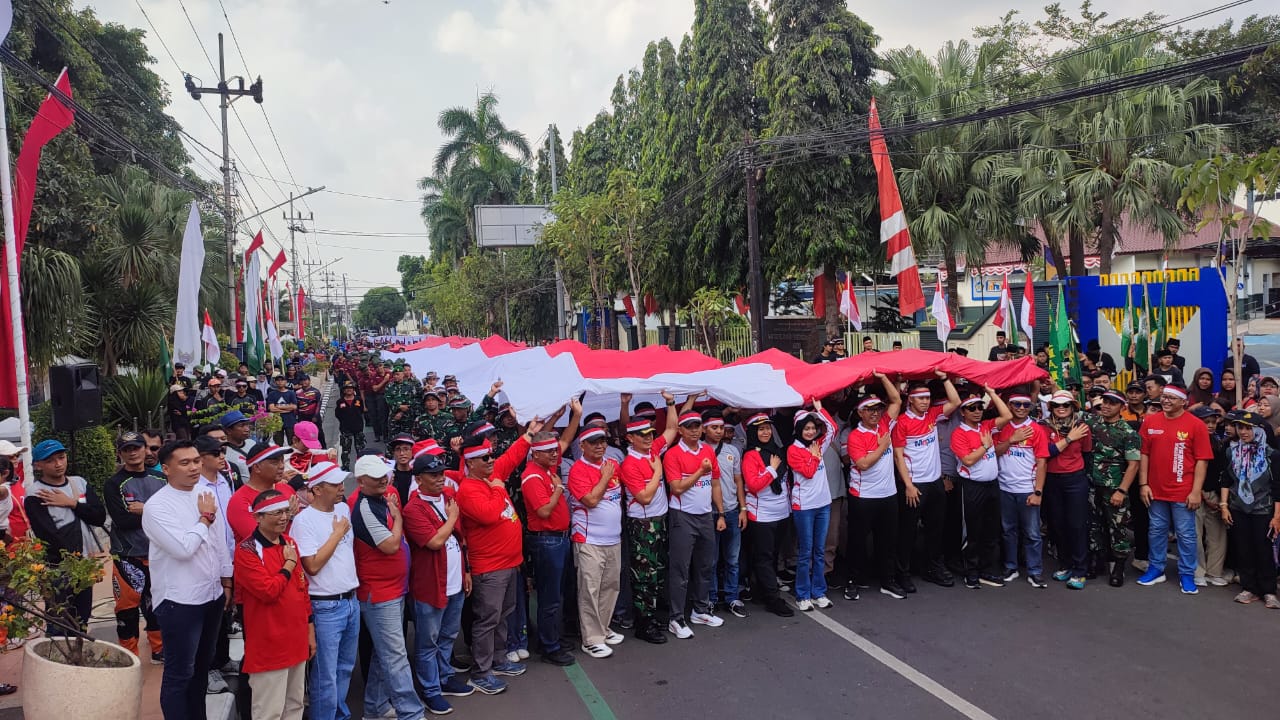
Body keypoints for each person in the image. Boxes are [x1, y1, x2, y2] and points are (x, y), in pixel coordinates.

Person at [143, 440, 234, 720]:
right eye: (185, 462)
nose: (194, 467)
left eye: (196, 460)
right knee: (180, 673)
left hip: (212, 595)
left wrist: (226, 581)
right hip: (179, 601)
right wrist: (204, 519)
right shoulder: (157, 507)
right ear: (166, 469)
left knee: (201, 670)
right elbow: (182, 549)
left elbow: (219, 542)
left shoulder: (205, 492)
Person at [452, 424, 536, 694]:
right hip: (489, 568)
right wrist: (499, 489)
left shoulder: (490, 475)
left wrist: (528, 435)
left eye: (491, 456)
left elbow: (511, 456)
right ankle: (480, 672)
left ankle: (498, 659)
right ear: (471, 463)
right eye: (486, 458)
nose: (491, 461)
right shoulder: (469, 489)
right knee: (488, 620)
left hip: (509, 563)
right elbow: (489, 514)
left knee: (503, 616)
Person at [348, 455, 425, 719]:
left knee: (385, 657)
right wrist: (398, 517)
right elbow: (391, 546)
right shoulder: (365, 508)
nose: (383, 479)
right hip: (380, 594)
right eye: (375, 476)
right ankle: (411, 713)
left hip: (392, 590)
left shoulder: (379, 500)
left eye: (384, 474)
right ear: (360, 481)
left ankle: (375, 708)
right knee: (395, 658)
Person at [291, 461, 364, 720]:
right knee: (325, 673)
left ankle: (338, 713)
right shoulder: (303, 521)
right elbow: (311, 565)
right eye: (335, 484)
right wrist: (336, 534)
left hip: (350, 600)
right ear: (318, 489)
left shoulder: (343, 508)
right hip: (325, 605)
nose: (341, 488)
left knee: (345, 667)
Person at [234, 489, 315, 720]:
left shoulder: (289, 542)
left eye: (285, 512)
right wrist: (288, 565)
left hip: (296, 640)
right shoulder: (247, 550)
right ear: (258, 517)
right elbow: (267, 591)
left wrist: (310, 632)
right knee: (269, 712)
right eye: (275, 512)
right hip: (269, 645)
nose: (283, 517)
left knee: (295, 706)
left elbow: (302, 589)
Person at [403, 452, 472, 714]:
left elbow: (459, 540)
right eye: (433, 475)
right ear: (418, 479)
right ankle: (430, 689)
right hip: (430, 586)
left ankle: (444, 678)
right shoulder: (414, 509)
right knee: (427, 642)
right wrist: (452, 517)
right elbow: (433, 542)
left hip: (453, 584)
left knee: (448, 636)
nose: (440, 479)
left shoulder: (446, 499)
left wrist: (466, 570)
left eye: (442, 474)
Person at [1136, 383, 1214, 594]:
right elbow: (1144, 454)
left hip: (1183, 492)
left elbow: (1202, 461)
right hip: (1156, 490)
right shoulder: (1150, 422)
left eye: (1171, 397)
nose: (1166, 401)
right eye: (1164, 397)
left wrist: (1196, 491)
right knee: (1156, 531)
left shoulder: (1195, 425)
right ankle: (1156, 568)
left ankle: (1187, 574)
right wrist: (1143, 484)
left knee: (1186, 534)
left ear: (1183, 402)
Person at [617, 392, 681, 643]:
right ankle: (644, 624)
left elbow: (673, 427)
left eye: (650, 434)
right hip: (642, 523)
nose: (648, 439)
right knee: (644, 574)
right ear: (630, 438)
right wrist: (658, 472)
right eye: (642, 436)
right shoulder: (629, 464)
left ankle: (653, 616)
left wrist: (670, 402)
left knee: (658, 570)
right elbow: (643, 497)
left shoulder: (654, 449)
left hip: (660, 519)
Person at [25, 439, 107, 633]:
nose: (58, 464)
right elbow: (48, 536)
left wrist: (72, 503)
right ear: (38, 465)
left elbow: (99, 516)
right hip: (58, 568)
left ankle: (78, 658)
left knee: (82, 619)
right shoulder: (35, 494)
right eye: (50, 460)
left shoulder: (79, 483)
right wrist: (74, 562)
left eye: (61, 457)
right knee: (59, 620)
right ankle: (58, 660)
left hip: (84, 564)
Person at [521, 404, 582, 661]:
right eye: (549, 452)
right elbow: (544, 511)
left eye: (554, 451)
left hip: (559, 539)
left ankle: (553, 639)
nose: (555, 455)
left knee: (559, 592)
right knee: (549, 596)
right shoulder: (533, 477)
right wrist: (558, 490)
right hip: (547, 541)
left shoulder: (547, 468)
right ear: (535, 455)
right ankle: (549, 647)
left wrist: (575, 414)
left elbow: (566, 438)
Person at [891, 372, 961, 589]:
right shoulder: (902, 422)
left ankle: (933, 568)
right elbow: (898, 456)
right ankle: (902, 573)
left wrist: (944, 378)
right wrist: (909, 485)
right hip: (915, 485)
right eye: (920, 398)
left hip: (935, 483)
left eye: (928, 398)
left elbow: (956, 401)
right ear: (910, 399)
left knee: (935, 530)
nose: (925, 402)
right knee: (907, 532)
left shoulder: (932, 415)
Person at [103, 431, 168, 661]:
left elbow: (173, 513)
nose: (132, 453)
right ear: (120, 454)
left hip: (160, 554)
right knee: (127, 610)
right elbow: (122, 520)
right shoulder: (114, 484)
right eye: (126, 449)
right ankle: (129, 655)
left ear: (145, 449)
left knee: (157, 605)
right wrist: (157, 512)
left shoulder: (161, 479)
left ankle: (158, 649)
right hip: (128, 556)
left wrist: (146, 509)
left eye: (136, 447)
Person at [663, 407, 727, 638]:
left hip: (705, 516)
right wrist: (700, 471)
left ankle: (700, 610)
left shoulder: (708, 450)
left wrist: (720, 513)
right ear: (680, 430)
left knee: (705, 565)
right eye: (689, 427)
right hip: (683, 516)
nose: (694, 431)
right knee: (680, 569)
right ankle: (676, 618)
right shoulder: (672, 455)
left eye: (697, 426)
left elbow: (716, 483)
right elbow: (677, 487)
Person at [567, 421, 628, 658]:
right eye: (594, 442)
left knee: (610, 586)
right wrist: (604, 477)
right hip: (588, 539)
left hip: (613, 538)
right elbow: (590, 500)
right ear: (582, 445)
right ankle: (591, 638)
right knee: (589, 589)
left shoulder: (612, 464)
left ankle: (602, 628)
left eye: (603, 441)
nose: (600, 446)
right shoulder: (578, 471)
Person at [846, 374, 905, 599]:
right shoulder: (855, 436)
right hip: (863, 497)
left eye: (877, 408)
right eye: (869, 409)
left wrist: (882, 377)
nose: (875, 413)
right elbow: (862, 464)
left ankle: (887, 581)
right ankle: (853, 580)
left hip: (888, 495)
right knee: (858, 541)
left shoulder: (884, 423)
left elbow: (896, 400)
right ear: (860, 413)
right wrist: (882, 447)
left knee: (888, 541)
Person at [950, 388, 1013, 589]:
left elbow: (1007, 415)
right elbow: (967, 460)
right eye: (972, 408)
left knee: (991, 529)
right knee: (972, 531)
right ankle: (972, 572)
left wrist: (991, 392)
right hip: (971, 487)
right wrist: (985, 447)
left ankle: (987, 569)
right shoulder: (959, 433)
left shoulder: (986, 426)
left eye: (980, 407)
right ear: (963, 412)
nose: (977, 411)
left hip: (992, 485)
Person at [1219, 411, 1280, 608]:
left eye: (1248, 428)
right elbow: (1226, 480)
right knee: (1243, 549)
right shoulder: (1231, 451)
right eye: (1240, 427)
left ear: (1258, 429)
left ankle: (1269, 591)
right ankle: (1249, 588)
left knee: (1263, 550)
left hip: (1264, 509)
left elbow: (1277, 487)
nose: (1243, 432)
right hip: (1238, 507)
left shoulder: (1271, 454)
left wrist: (1277, 516)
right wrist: (1224, 506)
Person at [992, 392, 1051, 588]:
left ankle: (1035, 571)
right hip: (1004, 488)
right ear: (1009, 405)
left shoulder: (1037, 430)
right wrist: (1011, 440)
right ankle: (1011, 566)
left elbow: (1042, 462)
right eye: (1016, 404)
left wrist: (1038, 492)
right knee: (1008, 531)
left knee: (1033, 533)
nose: (1021, 408)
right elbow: (994, 452)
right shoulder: (1002, 426)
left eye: (1026, 405)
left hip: (1027, 489)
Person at [1084, 390, 1141, 587]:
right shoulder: (1093, 424)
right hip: (1092, 485)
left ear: (1122, 407)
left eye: (1112, 403)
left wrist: (1122, 490)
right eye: (1105, 402)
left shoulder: (1128, 432)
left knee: (1117, 527)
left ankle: (1118, 566)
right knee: (1093, 525)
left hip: (1114, 488)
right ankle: (1096, 560)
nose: (1107, 406)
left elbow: (1133, 464)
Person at [741, 414, 795, 617]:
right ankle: (773, 599)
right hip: (761, 514)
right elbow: (754, 485)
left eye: (768, 428)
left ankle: (761, 590)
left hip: (781, 512)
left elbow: (785, 481)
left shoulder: (777, 450)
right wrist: (771, 470)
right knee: (763, 557)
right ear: (753, 432)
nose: (765, 432)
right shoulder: (750, 456)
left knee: (772, 555)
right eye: (761, 429)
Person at [1041, 391, 1094, 589]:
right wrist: (1069, 439)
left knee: (1077, 525)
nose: (1061, 409)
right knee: (1057, 525)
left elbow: (1087, 454)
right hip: (1052, 480)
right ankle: (1065, 564)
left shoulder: (1082, 427)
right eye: (1056, 405)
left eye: (1065, 405)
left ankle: (1080, 570)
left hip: (1075, 480)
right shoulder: (1044, 427)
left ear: (1073, 407)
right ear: (1051, 408)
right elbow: (1046, 452)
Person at [705, 409, 747, 618]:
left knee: (732, 558)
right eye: (714, 427)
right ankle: (711, 599)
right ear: (704, 429)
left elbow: (738, 480)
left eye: (721, 427)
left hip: (731, 510)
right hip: (708, 512)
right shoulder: (700, 449)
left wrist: (743, 508)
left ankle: (732, 597)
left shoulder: (733, 450)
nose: (719, 431)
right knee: (711, 561)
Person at [1192, 406, 1230, 588]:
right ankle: (1197, 571)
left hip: (1215, 492)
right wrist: (1198, 493)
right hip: (1195, 491)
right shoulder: (1190, 440)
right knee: (1195, 533)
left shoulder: (1218, 441)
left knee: (1217, 534)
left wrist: (1220, 499)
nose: (1210, 425)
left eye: (1213, 422)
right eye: (1206, 421)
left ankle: (1214, 571)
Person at [227, 443, 296, 544]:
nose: (282, 466)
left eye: (282, 460)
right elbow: (260, 539)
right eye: (275, 462)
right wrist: (288, 515)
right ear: (257, 468)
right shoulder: (239, 500)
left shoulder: (286, 488)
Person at [335, 383, 367, 470]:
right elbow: (338, 414)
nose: (349, 390)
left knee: (360, 449)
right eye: (347, 388)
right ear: (344, 391)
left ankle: (362, 465)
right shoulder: (340, 402)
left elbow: (361, 411)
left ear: (354, 390)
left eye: (351, 388)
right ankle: (345, 466)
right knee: (345, 450)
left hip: (358, 427)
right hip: (345, 428)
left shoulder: (358, 400)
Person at [266, 375, 299, 444]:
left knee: (292, 442)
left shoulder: (291, 393)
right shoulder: (272, 394)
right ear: (275, 382)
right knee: (278, 443)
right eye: (278, 380)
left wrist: (278, 406)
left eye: (282, 380)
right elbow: (271, 408)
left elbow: (294, 407)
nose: (280, 382)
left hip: (290, 421)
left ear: (286, 382)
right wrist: (287, 409)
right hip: (277, 421)